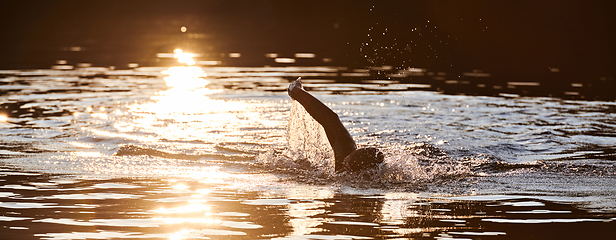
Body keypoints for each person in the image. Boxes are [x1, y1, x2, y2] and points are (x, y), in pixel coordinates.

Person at [287, 77, 384, 172]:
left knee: (335, 127)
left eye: (346, 161)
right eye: (348, 157)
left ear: (350, 168)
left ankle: (296, 92)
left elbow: (331, 119)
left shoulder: (345, 171)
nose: (344, 161)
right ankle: (297, 92)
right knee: (333, 126)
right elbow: (329, 120)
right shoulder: (376, 172)